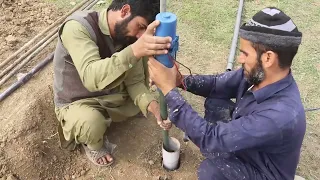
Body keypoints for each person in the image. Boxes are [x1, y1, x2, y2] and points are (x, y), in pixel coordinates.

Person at [148, 7, 306, 180]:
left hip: (261, 172)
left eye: (245, 54)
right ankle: (225, 149)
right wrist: (180, 80)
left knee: (211, 172)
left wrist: (169, 91)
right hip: (252, 146)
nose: (240, 59)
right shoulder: (261, 75)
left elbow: (211, 139)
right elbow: (217, 85)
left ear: (268, 58)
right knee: (215, 102)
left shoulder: (280, 116)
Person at [53, 0, 172, 167]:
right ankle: (93, 145)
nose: (140, 36)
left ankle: (124, 109)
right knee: (91, 123)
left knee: (140, 66)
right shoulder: (77, 27)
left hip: (111, 92)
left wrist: (153, 106)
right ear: (125, 11)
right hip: (78, 99)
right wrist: (135, 50)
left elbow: (135, 81)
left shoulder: (127, 36)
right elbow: (91, 77)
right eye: (140, 26)